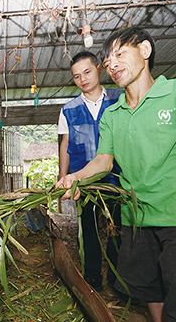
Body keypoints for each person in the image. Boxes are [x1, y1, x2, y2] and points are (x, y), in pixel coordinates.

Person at [56, 27, 176, 322]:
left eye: (120, 54)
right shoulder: (113, 114)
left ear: (145, 51)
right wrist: (74, 177)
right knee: (150, 290)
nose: (113, 65)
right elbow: (104, 162)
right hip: (137, 216)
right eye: (107, 62)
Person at [58, 51, 123, 291]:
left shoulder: (120, 99)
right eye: (76, 76)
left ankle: (118, 281)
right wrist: (63, 176)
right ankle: (93, 278)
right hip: (83, 181)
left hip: (117, 179)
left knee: (117, 230)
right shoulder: (68, 109)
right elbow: (65, 145)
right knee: (89, 230)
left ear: (99, 69)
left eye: (87, 72)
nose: (83, 79)